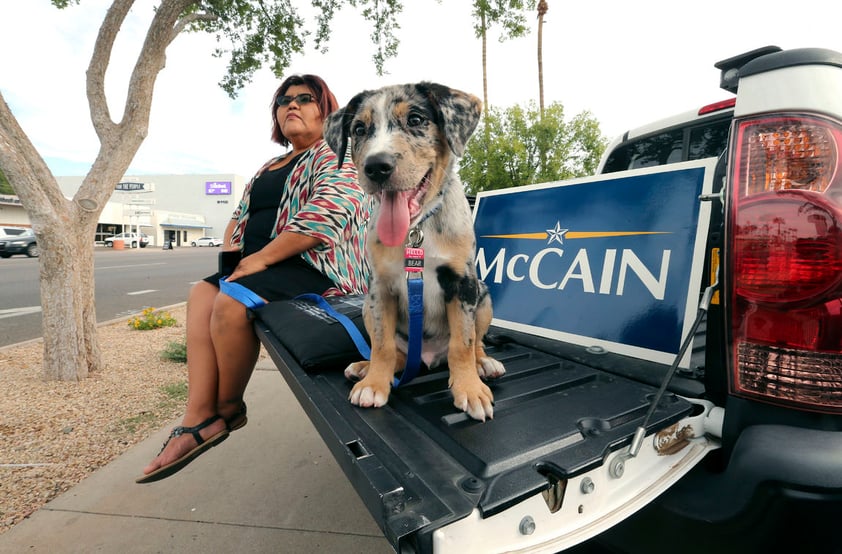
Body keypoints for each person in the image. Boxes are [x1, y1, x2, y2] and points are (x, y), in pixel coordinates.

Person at [137, 74, 369, 483]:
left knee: (230, 304)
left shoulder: (337, 154)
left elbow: (326, 216)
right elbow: (240, 215)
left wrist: (259, 260)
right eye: (283, 100)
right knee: (202, 294)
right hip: (258, 266)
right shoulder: (269, 166)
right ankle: (196, 415)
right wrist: (231, 258)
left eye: (305, 98)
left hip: (314, 268)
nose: (291, 104)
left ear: (327, 110)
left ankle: (226, 411)